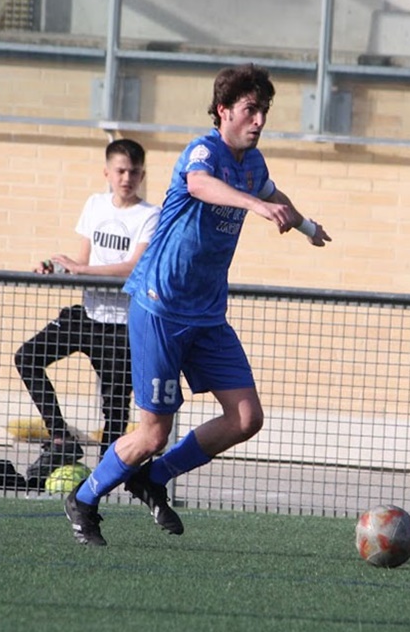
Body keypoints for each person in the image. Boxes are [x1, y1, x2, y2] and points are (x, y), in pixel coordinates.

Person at [64, 63, 331, 545]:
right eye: (251, 110)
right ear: (224, 110)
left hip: (207, 314)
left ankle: (155, 477)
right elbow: (200, 186)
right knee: (152, 432)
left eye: (264, 111)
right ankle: (84, 498)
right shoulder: (202, 151)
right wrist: (255, 206)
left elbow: (272, 194)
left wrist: (306, 226)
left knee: (246, 418)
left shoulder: (254, 164)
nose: (259, 121)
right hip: (160, 306)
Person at [16, 139, 160, 485]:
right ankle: (61, 437)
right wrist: (57, 266)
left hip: (122, 326)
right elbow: (82, 261)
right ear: (107, 173)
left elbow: (132, 268)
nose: (127, 178)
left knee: (114, 411)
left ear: (142, 175)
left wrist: (80, 270)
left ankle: (103, 483)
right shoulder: (95, 205)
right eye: (121, 171)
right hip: (87, 316)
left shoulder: (149, 215)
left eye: (134, 172)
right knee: (28, 356)